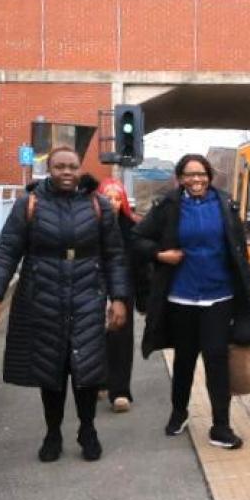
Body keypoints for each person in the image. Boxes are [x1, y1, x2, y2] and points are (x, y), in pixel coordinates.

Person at [0, 146, 130, 462]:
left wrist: (119, 298)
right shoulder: (29, 204)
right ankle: (52, 433)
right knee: (52, 369)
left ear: (79, 169)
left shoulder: (98, 205)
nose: (66, 172)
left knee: (86, 370)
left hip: (87, 295)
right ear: (50, 169)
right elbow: (7, 251)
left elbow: (115, 256)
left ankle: (87, 429)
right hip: (42, 295)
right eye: (59, 166)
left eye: (72, 167)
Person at [132, 153, 250, 449]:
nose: (196, 179)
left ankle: (221, 426)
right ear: (180, 178)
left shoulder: (225, 204)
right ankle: (179, 413)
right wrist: (160, 254)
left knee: (217, 361)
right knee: (185, 360)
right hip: (181, 298)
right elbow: (137, 238)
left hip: (219, 296)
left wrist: (246, 287)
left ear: (209, 176)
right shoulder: (169, 206)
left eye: (201, 174)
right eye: (189, 175)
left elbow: (239, 248)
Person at [96, 170, 140, 412]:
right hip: (92, 289)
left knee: (121, 340)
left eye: (116, 198)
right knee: (95, 337)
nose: (112, 202)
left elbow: (142, 260)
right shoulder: (88, 224)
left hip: (123, 291)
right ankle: (99, 381)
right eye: (107, 197)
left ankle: (120, 391)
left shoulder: (132, 227)